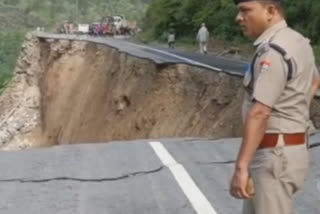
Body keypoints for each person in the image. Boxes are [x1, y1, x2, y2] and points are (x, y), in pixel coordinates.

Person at [230, 1, 320, 214]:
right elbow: (315, 81)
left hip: (273, 156)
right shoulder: (297, 41)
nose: (239, 17)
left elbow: (260, 112)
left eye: (245, 10)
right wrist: (297, 117)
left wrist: (241, 167)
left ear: (270, 11)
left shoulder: (273, 51)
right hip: (286, 149)